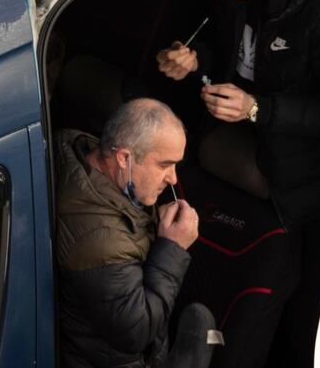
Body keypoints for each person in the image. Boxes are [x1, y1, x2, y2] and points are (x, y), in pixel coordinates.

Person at [157, 0, 320, 365]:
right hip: (244, 147)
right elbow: (227, 50)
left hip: (311, 176)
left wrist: (257, 110)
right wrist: (195, 61)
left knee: (307, 313)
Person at [55, 98, 215, 368]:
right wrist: (172, 248)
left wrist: (152, 221)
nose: (174, 178)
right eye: (164, 165)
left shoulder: (75, 148)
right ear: (124, 158)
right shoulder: (102, 243)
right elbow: (136, 333)